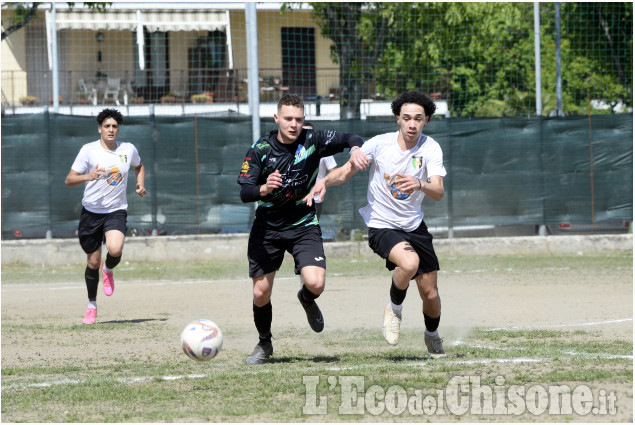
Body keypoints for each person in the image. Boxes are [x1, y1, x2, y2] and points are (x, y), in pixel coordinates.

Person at [305, 91, 447, 359]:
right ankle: (394, 308)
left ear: (426, 120)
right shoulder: (379, 145)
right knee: (409, 263)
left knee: (430, 294)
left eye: (418, 118)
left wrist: (419, 183)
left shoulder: (431, 148)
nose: (412, 124)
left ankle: (432, 336)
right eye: (406, 118)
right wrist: (324, 181)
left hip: (414, 225)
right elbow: (346, 171)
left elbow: (438, 191)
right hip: (381, 224)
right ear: (398, 119)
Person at [237, 94, 368, 364]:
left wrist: (355, 149)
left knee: (316, 283)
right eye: (288, 118)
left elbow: (350, 137)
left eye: (299, 119)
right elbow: (245, 192)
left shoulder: (313, 140)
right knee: (261, 292)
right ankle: (264, 344)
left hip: (303, 224)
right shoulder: (261, 148)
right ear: (277, 119)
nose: (294, 124)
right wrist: (264, 187)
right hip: (268, 227)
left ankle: (307, 299)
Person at [65, 108, 146, 325]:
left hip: (115, 211)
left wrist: (140, 184)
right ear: (100, 128)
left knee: (115, 249)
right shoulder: (88, 151)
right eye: (107, 126)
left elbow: (139, 166)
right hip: (91, 213)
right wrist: (87, 176)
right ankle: (92, 305)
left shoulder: (128, 149)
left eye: (114, 126)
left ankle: (108, 269)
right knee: (92, 262)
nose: (111, 130)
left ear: (118, 129)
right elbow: (69, 180)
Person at [302, 122, 337, 219]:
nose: (307, 135)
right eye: (304, 132)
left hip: (315, 199)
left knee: (311, 231)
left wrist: (323, 183)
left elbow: (334, 172)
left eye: (310, 132)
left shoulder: (323, 149)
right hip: (295, 200)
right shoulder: (292, 150)